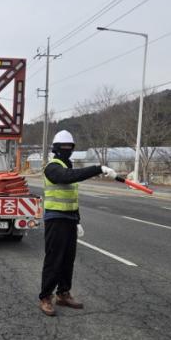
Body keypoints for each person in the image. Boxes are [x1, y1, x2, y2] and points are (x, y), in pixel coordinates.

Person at [39, 130, 117, 316]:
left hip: (70, 219)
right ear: (56, 149)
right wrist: (97, 169)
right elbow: (67, 177)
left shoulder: (69, 167)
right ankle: (45, 297)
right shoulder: (52, 167)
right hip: (55, 219)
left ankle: (63, 293)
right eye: (63, 146)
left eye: (70, 146)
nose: (67, 149)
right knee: (54, 259)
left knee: (68, 259)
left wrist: (77, 221)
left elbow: (72, 198)